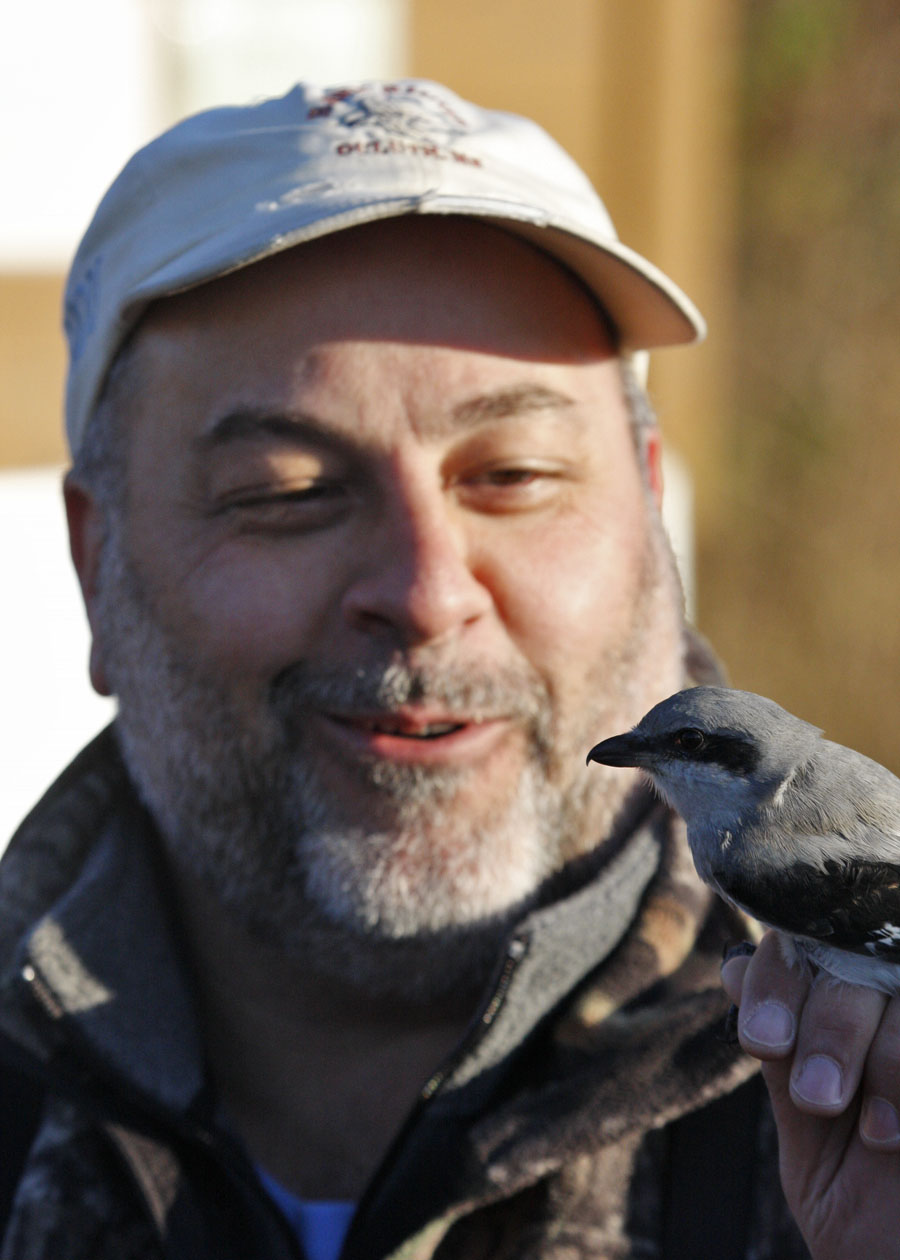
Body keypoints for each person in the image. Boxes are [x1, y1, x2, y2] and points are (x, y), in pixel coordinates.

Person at [0, 78, 897, 1260]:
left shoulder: (855, 1112)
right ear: (93, 559)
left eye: (514, 473)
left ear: (649, 512)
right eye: (288, 493)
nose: (426, 589)